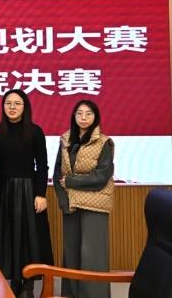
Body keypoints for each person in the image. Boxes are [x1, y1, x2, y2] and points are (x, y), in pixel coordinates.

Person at [0, 89, 53, 298]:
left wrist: (41, 194)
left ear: (25, 107)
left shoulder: (34, 131)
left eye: (17, 103)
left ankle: (28, 284)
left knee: (28, 238)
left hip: (28, 191)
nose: (12, 107)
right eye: (8, 103)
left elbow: (42, 165)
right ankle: (13, 281)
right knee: (8, 237)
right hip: (4, 191)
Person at [53, 100, 114, 298]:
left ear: (96, 117)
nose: (84, 117)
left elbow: (101, 176)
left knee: (92, 256)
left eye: (88, 114)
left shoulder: (104, 142)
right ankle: (70, 295)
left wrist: (71, 181)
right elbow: (57, 174)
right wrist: (63, 202)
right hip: (71, 204)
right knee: (71, 254)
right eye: (79, 113)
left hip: (94, 205)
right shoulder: (65, 140)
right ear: (74, 116)